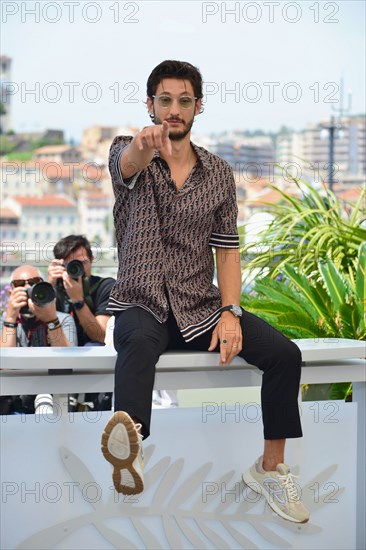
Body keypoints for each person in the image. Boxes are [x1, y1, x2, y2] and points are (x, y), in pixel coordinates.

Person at [101, 60, 309, 523]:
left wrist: (231, 311)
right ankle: (129, 444)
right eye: (165, 100)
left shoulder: (217, 173)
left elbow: (228, 252)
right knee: (135, 343)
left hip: (200, 308)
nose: (174, 110)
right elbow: (128, 162)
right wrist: (142, 143)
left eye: (184, 100)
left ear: (198, 106)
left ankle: (271, 468)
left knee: (284, 354)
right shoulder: (127, 151)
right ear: (150, 105)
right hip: (142, 301)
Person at [48, 235, 115, 411]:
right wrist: (49, 287)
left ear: (92, 261)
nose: (75, 269)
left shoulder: (104, 286)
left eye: (81, 262)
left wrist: (78, 301)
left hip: (97, 370)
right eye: (69, 264)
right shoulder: (54, 290)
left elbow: (101, 335)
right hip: (60, 366)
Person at [0, 265, 77, 414]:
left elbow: (67, 363)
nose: (28, 288)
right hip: (13, 401)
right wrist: (10, 318)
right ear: (10, 293)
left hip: (54, 399)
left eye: (34, 282)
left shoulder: (63, 320)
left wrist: (52, 320)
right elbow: (4, 366)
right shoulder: (4, 324)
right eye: (20, 284)